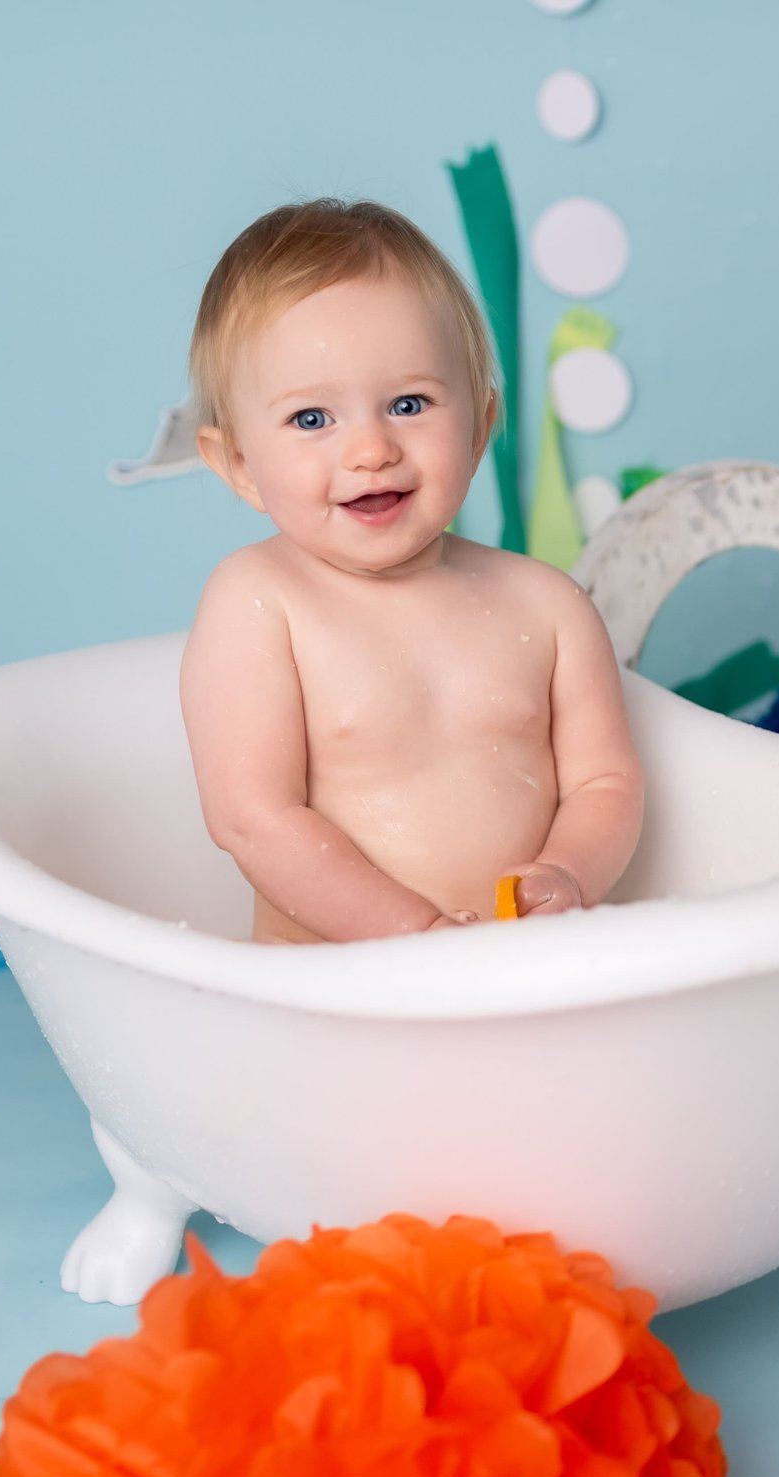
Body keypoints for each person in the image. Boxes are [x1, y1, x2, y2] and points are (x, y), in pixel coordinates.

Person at [180, 199, 640, 942]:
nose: (370, 450)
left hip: (518, 973)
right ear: (238, 463)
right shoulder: (261, 603)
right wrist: (413, 933)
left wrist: (570, 870)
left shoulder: (548, 606)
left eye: (407, 403)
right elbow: (253, 819)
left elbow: (604, 783)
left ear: (481, 424)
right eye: (311, 419)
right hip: (332, 992)